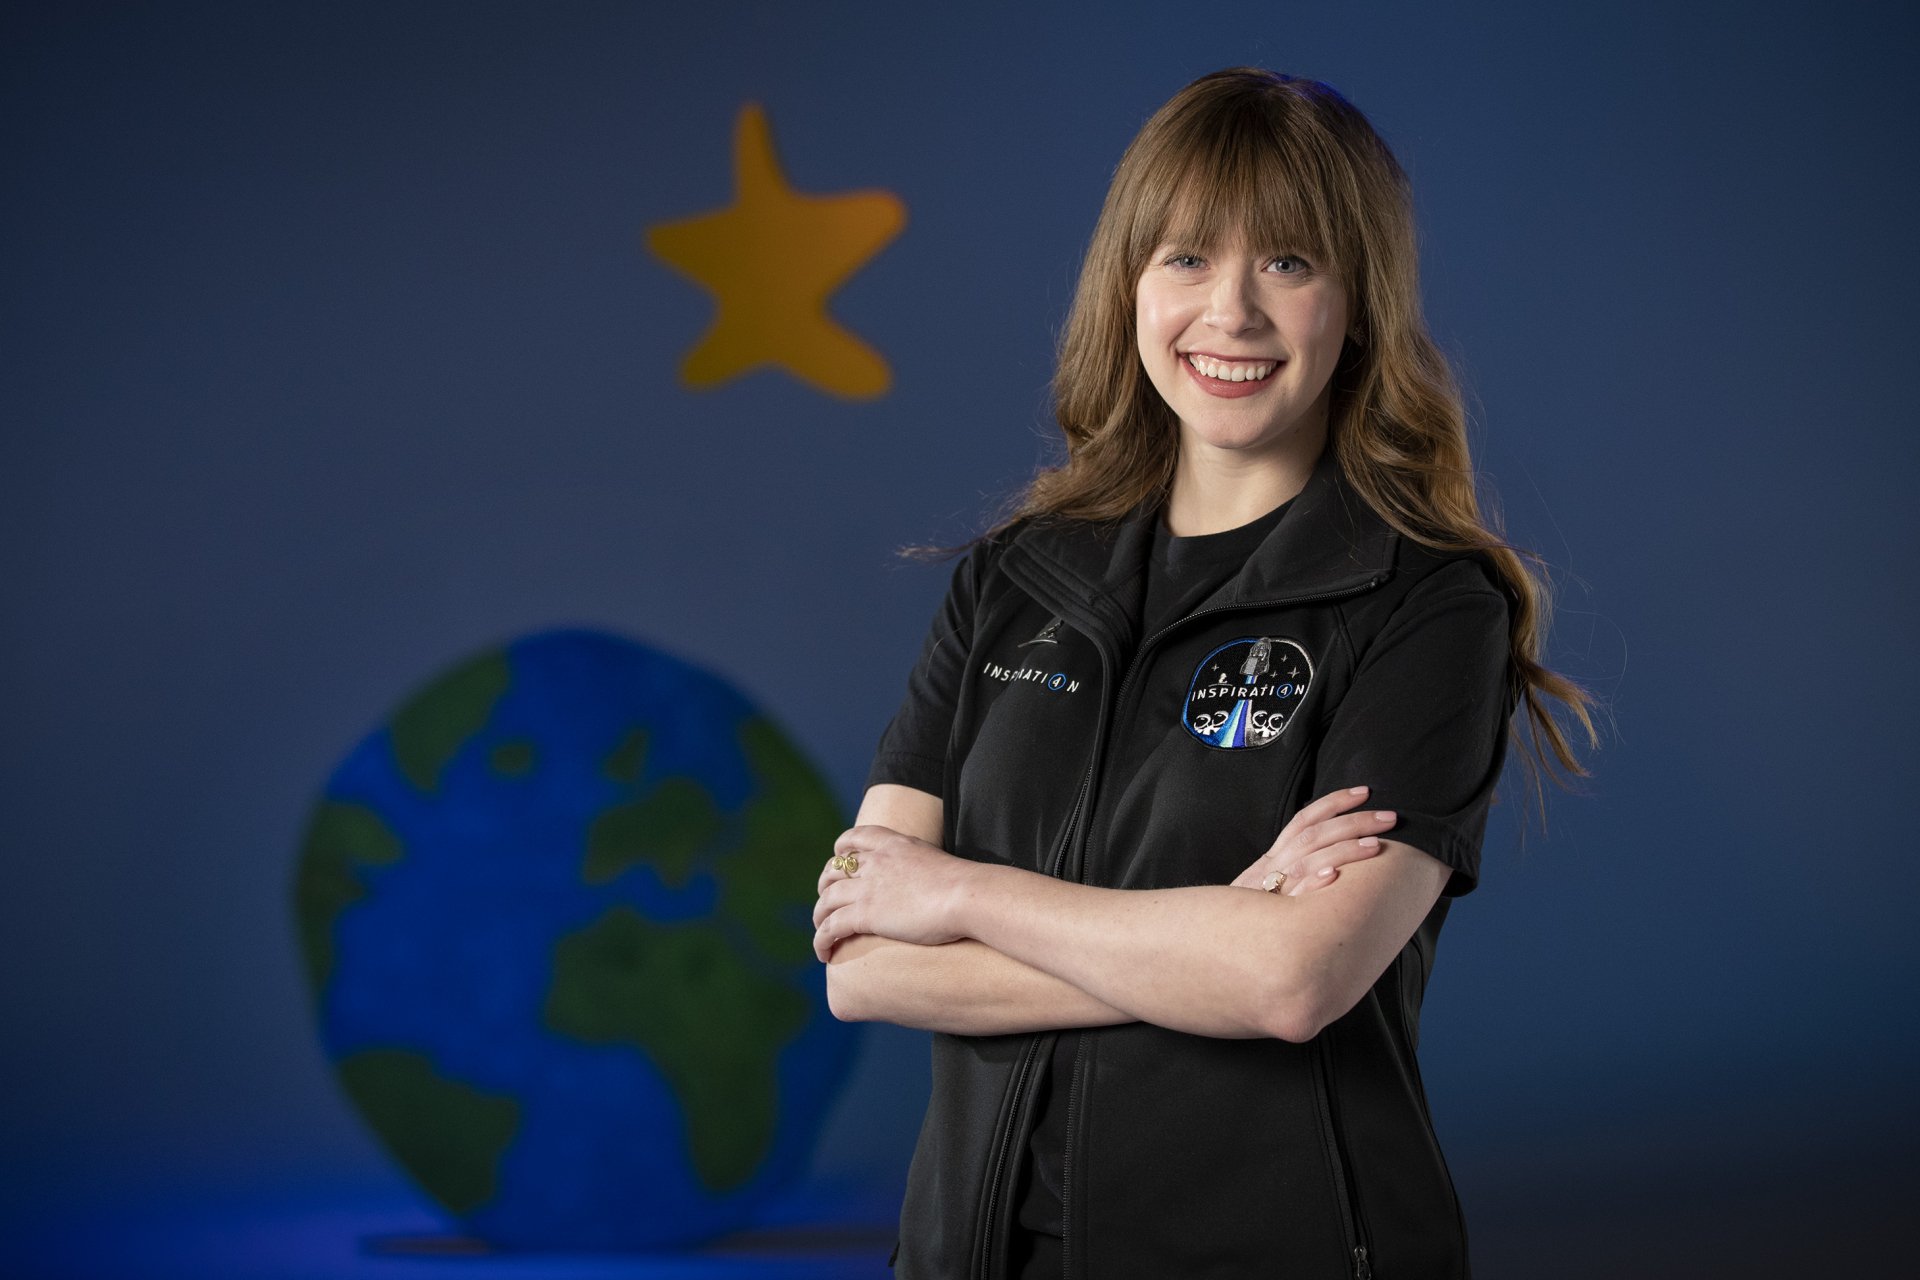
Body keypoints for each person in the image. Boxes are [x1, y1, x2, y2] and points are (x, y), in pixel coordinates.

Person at [811, 67, 1594, 1279]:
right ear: (1128, 284)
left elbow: (1291, 980)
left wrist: (960, 895)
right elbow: (863, 965)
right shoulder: (1014, 579)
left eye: (1287, 262)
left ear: (1360, 303)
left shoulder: (1428, 604)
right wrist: (1207, 944)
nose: (1229, 312)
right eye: (1184, 258)